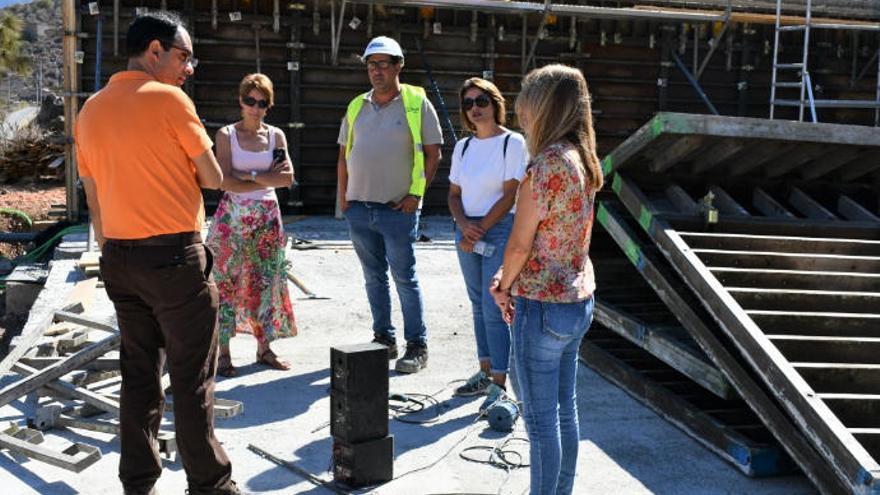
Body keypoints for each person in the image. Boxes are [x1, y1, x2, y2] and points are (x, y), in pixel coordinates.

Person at [75, 11, 244, 495]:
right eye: (184, 56)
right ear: (154, 51)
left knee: (139, 376)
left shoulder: (90, 110)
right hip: (174, 259)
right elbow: (212, 177)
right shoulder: (171, 101)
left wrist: (114, 253)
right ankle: (210, 485)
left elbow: (93, 197)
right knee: (191, 380)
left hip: (120, 260)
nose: (189, 67)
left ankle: (138, 482)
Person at [490, 64, 602, 495]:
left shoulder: (545, 166)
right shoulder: (582, 159)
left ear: (542, 108)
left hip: (541, 306)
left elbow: (519, 245)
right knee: (564, 411)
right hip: (577, 298)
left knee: (540, 425)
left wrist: (503, 284)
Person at [336, 36, 443, 373]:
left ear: (399, 66)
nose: (377, 71)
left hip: (398, 210)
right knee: (373, 278)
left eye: (384, 64)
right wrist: (344, 200)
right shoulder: (356, 105)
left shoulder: (416, 102)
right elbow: (343, 156)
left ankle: (417, 344)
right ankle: (384, 339)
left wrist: (416, 195)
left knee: (404, 278)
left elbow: (433, 153)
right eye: (372, 64)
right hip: (360, 209)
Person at [206, 73, 297, 378]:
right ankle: (223, 353)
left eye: (262, 102)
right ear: (240, 101)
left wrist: (250, 176)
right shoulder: (226, 135)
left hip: (266, 219)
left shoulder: (276, 137)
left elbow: (286, 178)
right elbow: (223, 180)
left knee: (266, 282)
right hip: (232, 218)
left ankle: (264, 348)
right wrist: (262, 175)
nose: (255, 107)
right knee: (226, 282)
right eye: (250, 101)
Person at [448, 78, 527, 410]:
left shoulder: (513, 143)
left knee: (496, 305)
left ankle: (499, 382)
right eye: (468, 103)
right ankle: (484, 371)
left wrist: (479, 228)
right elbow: (453, 195)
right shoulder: (463, 147)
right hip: (467, 231)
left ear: (496, 103)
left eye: (481, 101)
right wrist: (465, 226)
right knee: (477, 304)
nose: (475, 108)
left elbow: (510, 194)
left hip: (497, 231)